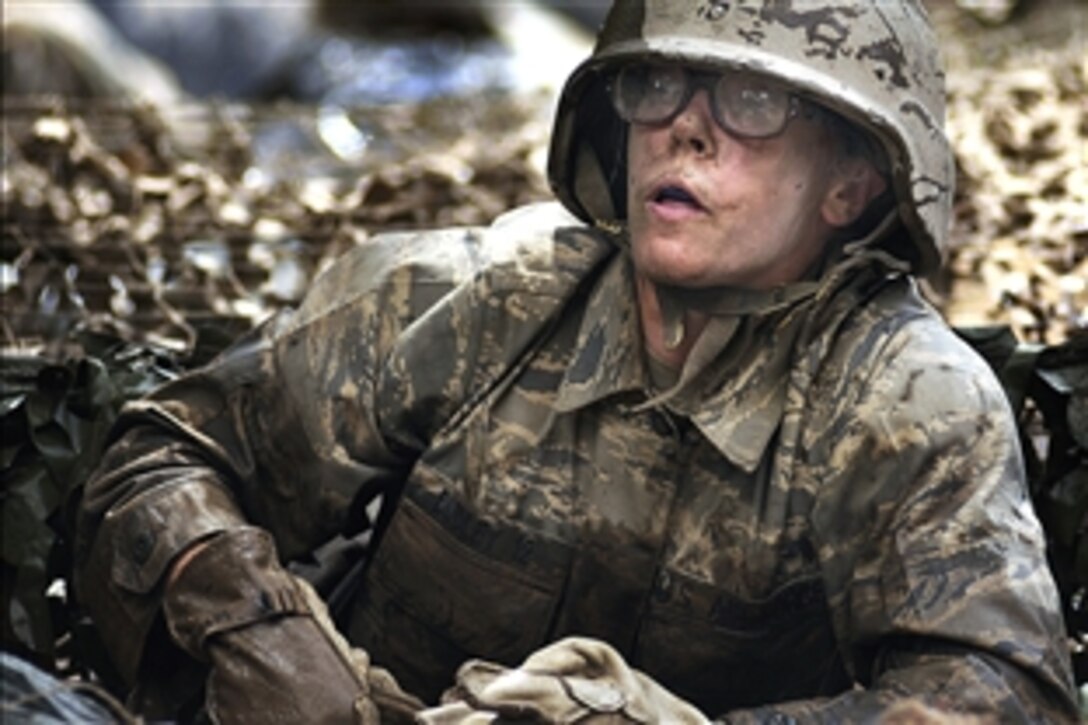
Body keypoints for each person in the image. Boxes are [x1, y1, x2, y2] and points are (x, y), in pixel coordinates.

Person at [74, 1, 1079, 722]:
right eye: (656, 84)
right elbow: (162, 456)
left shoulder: (905, 402)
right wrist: (254, 625)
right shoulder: (466, 300)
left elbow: (1003, 697)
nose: (683, 126)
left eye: (749, 102)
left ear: (852, 185)